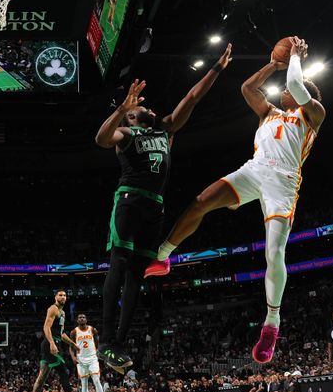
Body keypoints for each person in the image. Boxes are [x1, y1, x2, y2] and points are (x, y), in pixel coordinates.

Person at [149, 37, 325, 364]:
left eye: (288, 88)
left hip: (283, 183)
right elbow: (247, 88)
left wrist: (296, 57)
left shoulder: (313, 114)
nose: (283, 90)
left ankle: (272, 321)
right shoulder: (269, 113)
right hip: (254, 171)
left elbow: (295, 84)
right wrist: (274, 63)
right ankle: (163, 256)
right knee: (201, 201)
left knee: (274, 253)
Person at [93, 45, 233, 371]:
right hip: (130, 200)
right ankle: (105, 339)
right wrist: (120, 109)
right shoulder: (127, 132)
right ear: (130, 115)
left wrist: (216, 68)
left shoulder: (165, 129)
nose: (147, 106)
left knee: (137, 276)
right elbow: (101, 139)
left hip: (155, 207)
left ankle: (117, 346)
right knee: (119, 264)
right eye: (138, 107)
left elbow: (192, 98)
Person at [25, 290, 79, 392]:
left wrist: (73, 344)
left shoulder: (63, 313)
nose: (63, 297)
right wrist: (52, 343)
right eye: (60, 295)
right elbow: (46, 327)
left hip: (53, 342)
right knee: (63, 371)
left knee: (42, 378)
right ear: (55, 297)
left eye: (65, 295)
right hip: (50, 344)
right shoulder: (53, 309)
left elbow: (61, 333)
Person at [69, 314, 107, 392]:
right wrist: (73, 357)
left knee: (96, 380)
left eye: (83, 317)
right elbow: (71, 346)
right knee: (84, 384)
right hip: (81, 360)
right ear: (77, 320)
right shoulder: (74, 332)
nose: (81, 318)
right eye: (80, 317)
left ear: (86, 319)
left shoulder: (92, 329)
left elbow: (97, 341)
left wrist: (97, 351)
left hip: (92, 358)